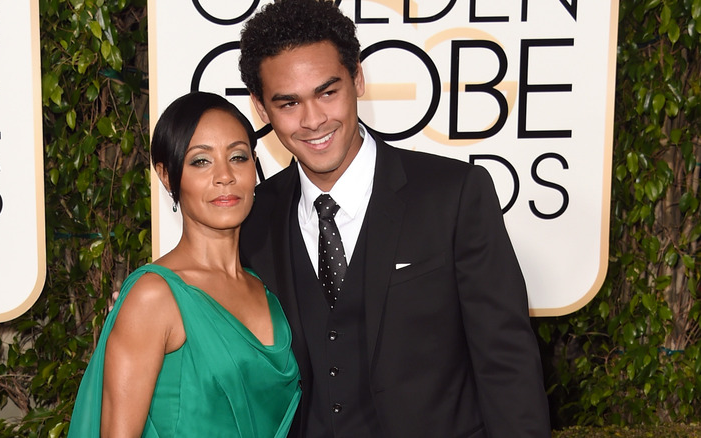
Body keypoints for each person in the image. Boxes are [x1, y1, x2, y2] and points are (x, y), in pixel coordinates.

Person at [237, 0, 552, 437]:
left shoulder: (454, 195)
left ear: (358, 78)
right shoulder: (253, 218)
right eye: (288, 103)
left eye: (328, 92)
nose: (313, 120)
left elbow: (506, 363)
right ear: (260, 107)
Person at [68, 91, 301, 437]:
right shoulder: (154, 297)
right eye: (201, 161)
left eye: (238, 157)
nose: (225, 176)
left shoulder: (267, 288)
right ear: (166, 176)